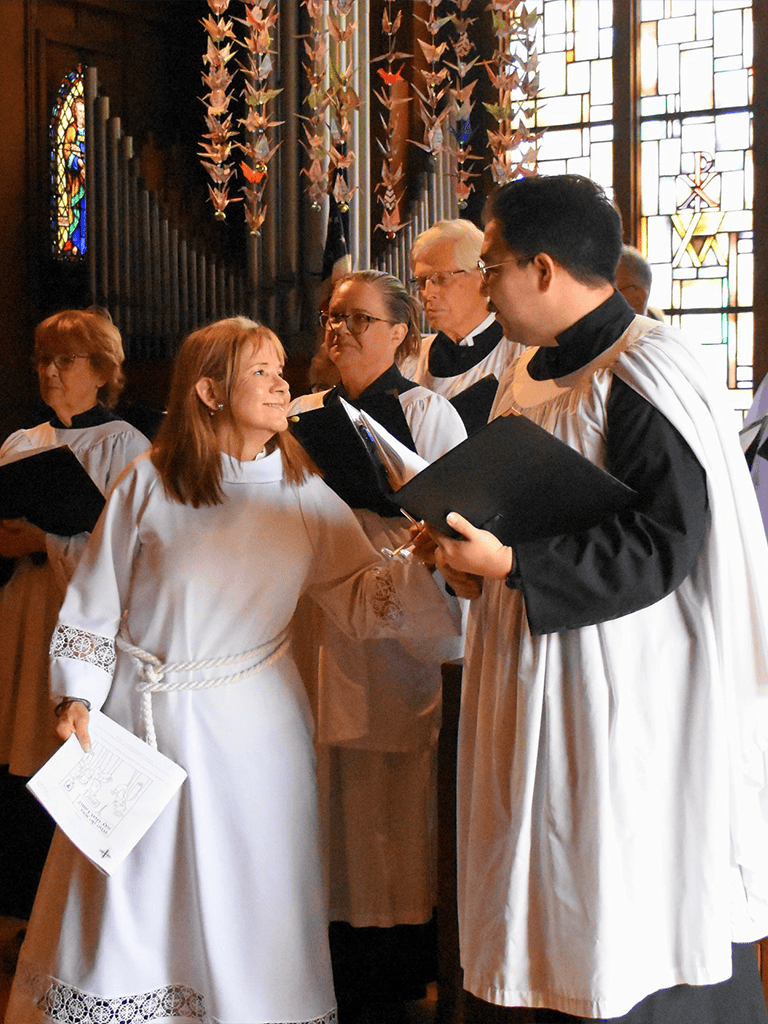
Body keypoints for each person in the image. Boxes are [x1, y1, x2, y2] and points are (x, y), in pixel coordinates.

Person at [6, 316, 459, 1024]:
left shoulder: (302, 486)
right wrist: (78, 696)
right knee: (131, 898)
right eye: (261, 370)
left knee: (252, 888)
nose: (283, 381)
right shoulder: (148, 481)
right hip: (139, 722)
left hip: (254, 729)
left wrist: (422, 562)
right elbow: (94, 603)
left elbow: (362, 598)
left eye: (282, 367)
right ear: (211, 391)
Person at [418, 174, 768, 1022]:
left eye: (490, 266)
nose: (483, 287)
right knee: (534, 874)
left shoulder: (646, 368)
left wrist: (517, 567)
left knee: (609, 882)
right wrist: (467, 560)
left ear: (542, 269)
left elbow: (665, 544)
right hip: (529, 660)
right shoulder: (525, 372)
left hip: (625, 684)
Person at [290, 270, 467, 1014]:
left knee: (387, 797)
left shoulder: (430, 413)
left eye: (359, 319)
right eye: (334, 318)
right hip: (310, 615)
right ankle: (317, 952)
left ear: (401, 333)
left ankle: (392, 965)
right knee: (317, 786)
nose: (341, 331)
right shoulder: (300, 411)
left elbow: (456, 518)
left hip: (397, 617)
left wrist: (386, 503)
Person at [0, 309, 149, 917]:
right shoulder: (20, 443)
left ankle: (72, 914)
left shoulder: (129, 448)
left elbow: (132, 555)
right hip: (20, 611)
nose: (51, 371)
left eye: (67, 359)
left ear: (104, 370)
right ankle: (18, 914)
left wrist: (46, 544)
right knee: (17, 759)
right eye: (44, 359)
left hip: (80, 627)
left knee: (69, 765)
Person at [402, 218, 525, 401]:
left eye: (441, 278)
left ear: (482, 276)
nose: (428, 294)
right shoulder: (412, 359)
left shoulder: (521, 353)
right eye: (421, 282)